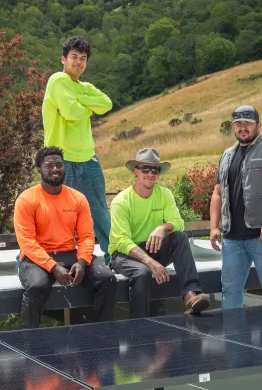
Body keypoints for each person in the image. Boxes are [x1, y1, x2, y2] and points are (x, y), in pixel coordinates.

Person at [14, 147, 117, 329]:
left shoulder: (77, 198)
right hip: (36, 258)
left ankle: (101, 335)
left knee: (106, 278)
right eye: (49, 165)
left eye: (59, 165)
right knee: (37, 287)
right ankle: (29, 344)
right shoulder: (27, 199)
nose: (55, 169)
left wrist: (83, 261)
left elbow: (86, 236)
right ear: (39, 169)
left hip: (69, 253)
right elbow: (27, 242)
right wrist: (53, 267)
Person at [109, 148, 210, 318]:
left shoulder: (164, 194)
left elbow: (178, 223)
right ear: (136, 172)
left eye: (154, 169)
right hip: (125, 254)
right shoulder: (121, 201)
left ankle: (191, 296)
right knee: (142, 272)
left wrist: (163, 228)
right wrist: (150, 262)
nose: (150, 173)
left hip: (152, 248)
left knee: (179, 237)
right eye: (145, 169)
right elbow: (121, 240)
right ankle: (140, 323)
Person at [210, 105, 262, 310]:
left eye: (247, 123)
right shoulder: (227, 155)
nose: (242, 127)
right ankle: (234, 341)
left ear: (258, 125)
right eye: (238, 124)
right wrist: (213, 227)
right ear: (233, 127)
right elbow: (218, 193)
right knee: (229, 289)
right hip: (232, 239)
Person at [42, 36, 112, 264]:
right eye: (74, 57)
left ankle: (116, 257)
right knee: (57, 213)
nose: (79, 62)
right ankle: (47, 260)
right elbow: (72, 113)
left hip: (89, 160)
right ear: (63, 59)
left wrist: (79, 99)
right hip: (60, 161)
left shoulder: (85, 87)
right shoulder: (58, 79)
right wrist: (89, 108)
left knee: (100, 213)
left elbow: (107, 104)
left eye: (83, 58)